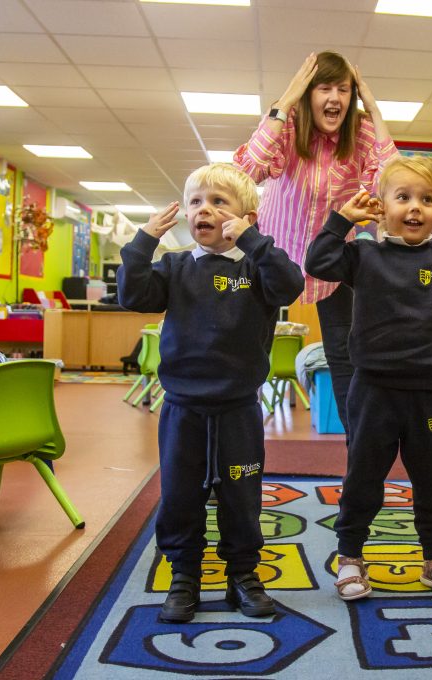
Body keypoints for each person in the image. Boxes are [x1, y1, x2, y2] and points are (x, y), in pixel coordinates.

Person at [305, 156, 432, 601]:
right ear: (381, 206)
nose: (414, 208)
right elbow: (318, 261)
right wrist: (343, 218)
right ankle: (350, 555)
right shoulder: (364, 252)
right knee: (363, 476)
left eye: (426, 199)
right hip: (374, 390)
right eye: (402, 198)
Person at [117, 163, 306, 622]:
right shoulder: (176, 266)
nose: (205, 209)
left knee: (242, 496)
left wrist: (253, 242)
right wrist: (143, 241)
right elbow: (131, 294)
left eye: (220, 202)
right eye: (197, 201)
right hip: (183, 409)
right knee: (181, 495)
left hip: (238, 409)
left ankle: (243, 573)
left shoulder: (258, 269)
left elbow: (291, 284)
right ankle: (185, 575)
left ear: (246, 218)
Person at [235, 51, 397, 438]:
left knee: (346, 358)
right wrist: (284, 102)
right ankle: (235, 449)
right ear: (309, 94)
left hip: (332, 260)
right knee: (248, 353)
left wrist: (373, 110)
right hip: (272, 256)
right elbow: (243, 174)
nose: (335, 98)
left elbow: (393, 185)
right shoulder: (288, 126)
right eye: (324, 87)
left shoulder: (359, 133)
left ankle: (359, 456)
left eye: (343, 90)